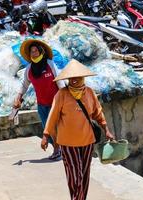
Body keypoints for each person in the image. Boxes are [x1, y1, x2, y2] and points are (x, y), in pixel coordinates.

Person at [41, 59, 115, 200]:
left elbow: (98, 113)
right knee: (75, 175)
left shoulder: (89, 93)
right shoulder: (61, 94)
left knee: (85, 174)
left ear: (83, 77)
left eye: (77, 77)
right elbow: (52, 116)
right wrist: (45, 135)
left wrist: (106, 130)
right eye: (71, 78)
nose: (74, 80)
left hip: (87, 141)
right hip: (68, 143)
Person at [14, 39, 65, 160]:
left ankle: (59, 150)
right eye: (31, 52)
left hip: (55, 102)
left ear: (41, 51)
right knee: (48, 127)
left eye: (36, 51)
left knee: (55, 126)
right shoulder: (29, 69)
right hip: (42, 104)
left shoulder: (49, 64)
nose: (34, 53)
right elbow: (24, 85)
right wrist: (18, 97)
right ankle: (58, 149)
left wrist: (64, 96)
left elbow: (59, 80)